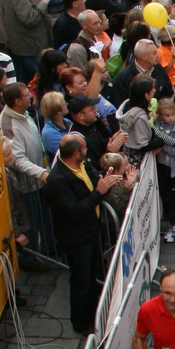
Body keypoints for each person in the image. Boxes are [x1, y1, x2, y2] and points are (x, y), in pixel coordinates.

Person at [45, 133, 126, 333]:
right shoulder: (58, 180)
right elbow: (76, 210)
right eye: (83, 148)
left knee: (96, 273)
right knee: (82, 281)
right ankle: (82, 323)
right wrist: (99, 191)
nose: (87, 150)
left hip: (92, 230)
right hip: (76, 238)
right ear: (75, 153)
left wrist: (105, 183)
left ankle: (98, 312)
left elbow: (96, 180)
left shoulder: (82, 165)